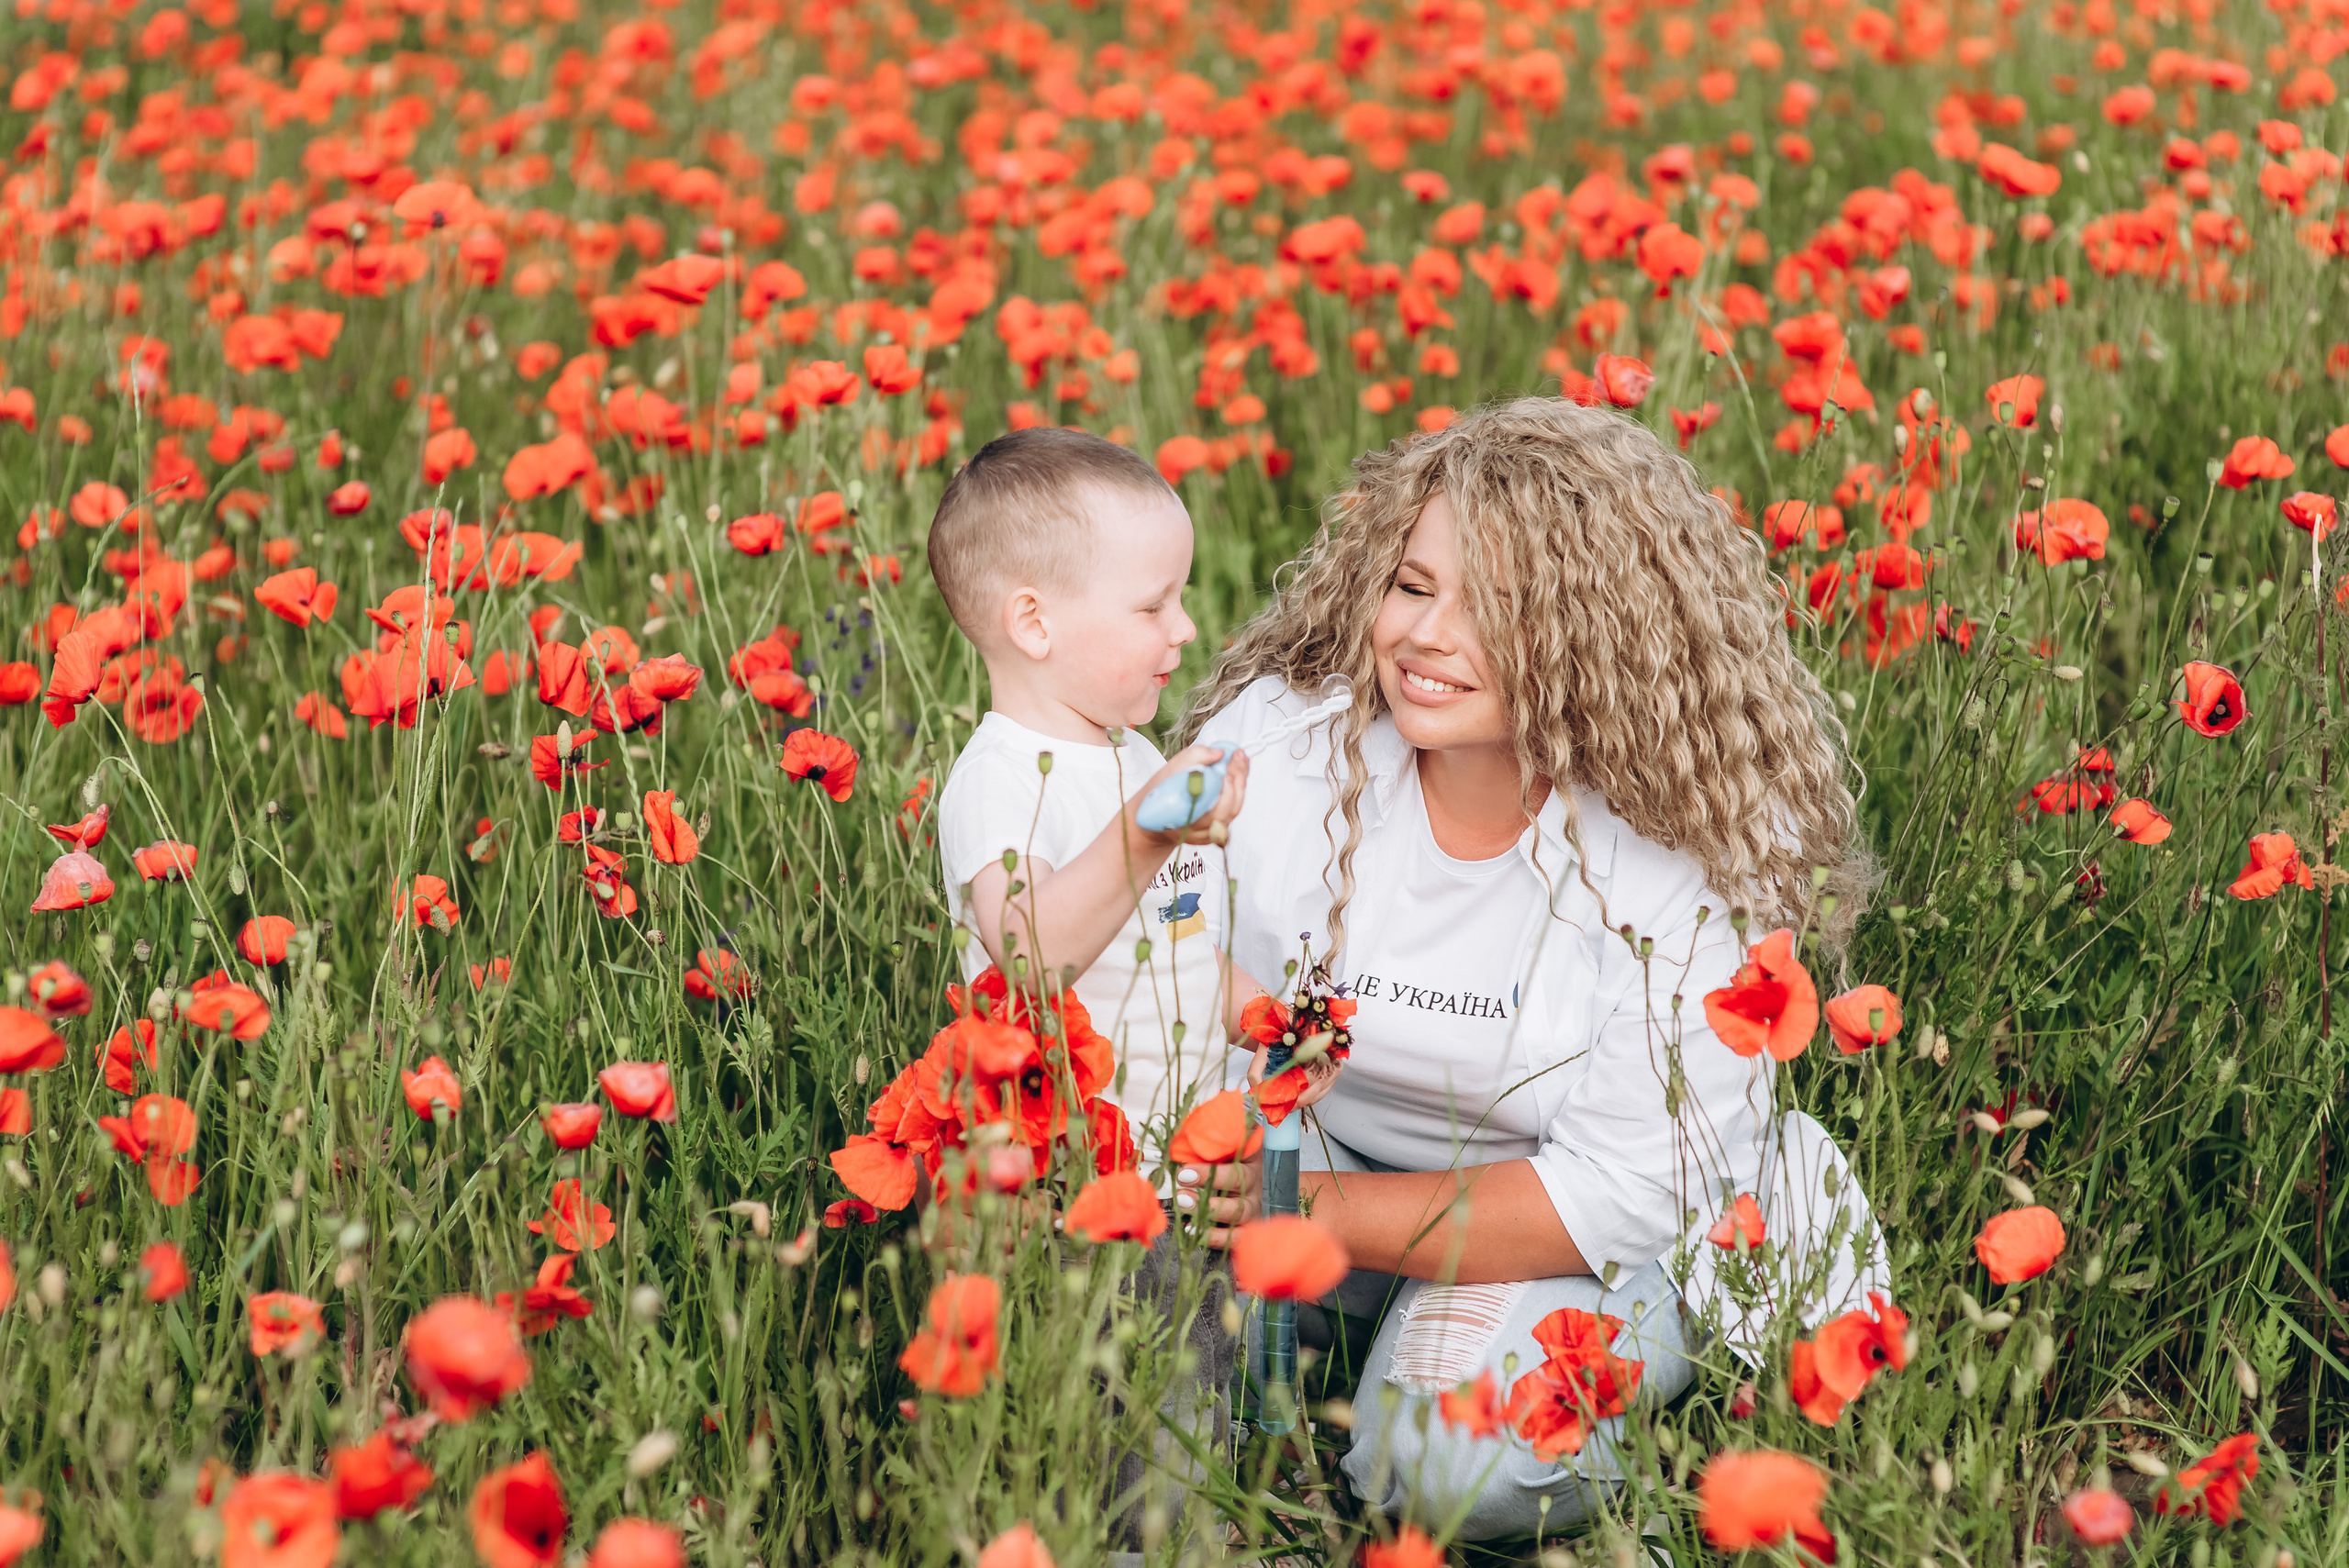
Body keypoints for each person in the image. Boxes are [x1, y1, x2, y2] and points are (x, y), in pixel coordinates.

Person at [1176, 397, 1882, 1539]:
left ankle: (1446, 1387)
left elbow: (1610, 1191)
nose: (1424, 634)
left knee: (1452, 1461)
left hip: (1572, 1235)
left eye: (1491, 606)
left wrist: (1304, 1207)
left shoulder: (1679, 862)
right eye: (1412, 586)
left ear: (1598, 631)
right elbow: (1154, 965)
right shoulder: (1283, 745)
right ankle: (1326, 1366)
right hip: (1311, 1157)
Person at [925, 425, 1340, 1551]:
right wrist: (1144, 833)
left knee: (1202, 1396)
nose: (1186, 630)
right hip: (1082, 1181)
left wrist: (1269, 1020)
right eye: (1154, 606)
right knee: (1136, 1432)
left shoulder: (1130, 753)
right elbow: (1027, 949)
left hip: (1184, 1164)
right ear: (1032, 622)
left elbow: (1179, 941)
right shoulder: (999, 777)